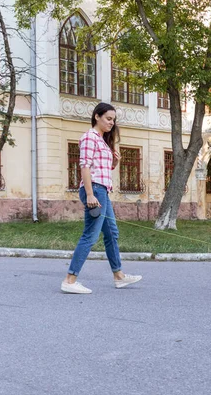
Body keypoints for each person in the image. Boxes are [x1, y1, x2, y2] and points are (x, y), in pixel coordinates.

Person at [61, 102, 142, 294]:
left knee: (112, 233)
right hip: (95, 191)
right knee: (90, 235)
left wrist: (115, 161)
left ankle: (119, 276)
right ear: (97, 116)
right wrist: (89, 194)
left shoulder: (102, 141)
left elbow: (102, 169)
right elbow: (85, 166)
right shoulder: (90, 137)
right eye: (108, 118)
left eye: (113, 119)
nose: (111, 122)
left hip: (101, 191)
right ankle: (70, 280)